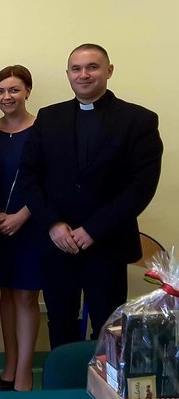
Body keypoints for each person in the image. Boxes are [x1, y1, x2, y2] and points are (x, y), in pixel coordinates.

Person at [18, 43, 162, 349]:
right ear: (68, 74)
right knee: (60, 322)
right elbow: (29, 176)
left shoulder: (139, 120)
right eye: (76, 69)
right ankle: (64, 378)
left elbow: (141, 186)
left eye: (92, 67)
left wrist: (94, 229)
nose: (83, 74)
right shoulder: (49, 117)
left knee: (108, 328)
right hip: (57, 243)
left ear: (109, 71)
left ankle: (102, 380)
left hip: (107, 243)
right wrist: (53, 224)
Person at [0, 66, 44, 392]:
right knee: (6, 294)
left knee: (26, 296)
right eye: (0, 91)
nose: (7, 97)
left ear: (27, 91)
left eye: (14, 90)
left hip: (31, 224)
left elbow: (52, 180)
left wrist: (23, 215)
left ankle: (24, 369)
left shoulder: (43, 129)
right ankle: (9, 364)